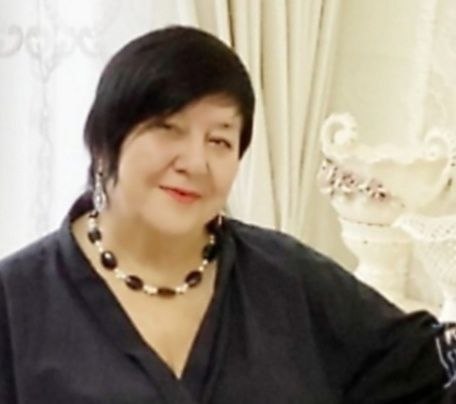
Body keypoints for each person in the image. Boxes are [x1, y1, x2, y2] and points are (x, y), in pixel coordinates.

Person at [0, 25, 455, 404]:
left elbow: (422, 372)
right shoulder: (16, 301)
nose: (195, 162)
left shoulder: (289, 279)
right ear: (104, 143)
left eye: (219, 140)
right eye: (168, 128)